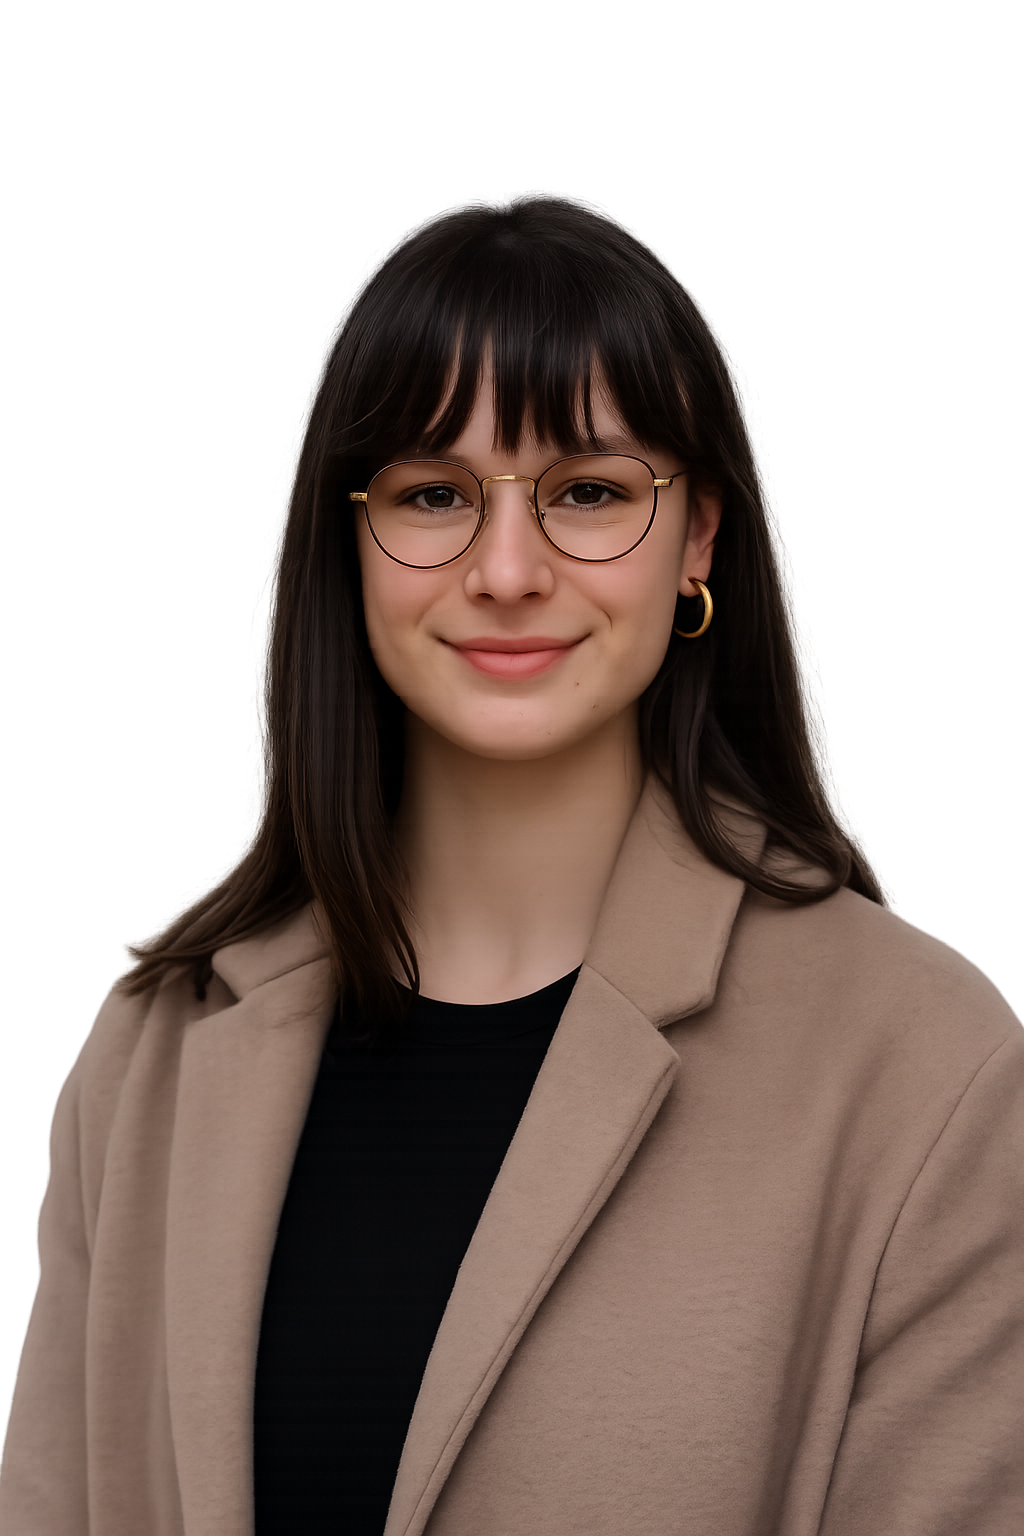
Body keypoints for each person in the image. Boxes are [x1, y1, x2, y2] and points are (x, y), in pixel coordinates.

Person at [1, 191, 1022, 1535]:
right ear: (350, 542)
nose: (505, 569)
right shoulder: (155, 1046)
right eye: (432, 495)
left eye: (589, 493)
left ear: (698, 537)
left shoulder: (932, 1075)